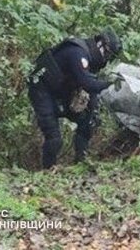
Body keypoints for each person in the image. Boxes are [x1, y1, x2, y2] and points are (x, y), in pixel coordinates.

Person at [27, 30, 122, 169]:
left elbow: (91, 90)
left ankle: (80, 162)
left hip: (60, 92)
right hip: (42, 91)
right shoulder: (77, 53)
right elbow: (88, 83)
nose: (107, 59)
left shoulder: (89, 58)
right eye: (108, 54)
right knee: (54, 139)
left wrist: (92, 109)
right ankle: (47, 171)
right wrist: (112, 84)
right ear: (101, 45)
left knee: (89, 121)